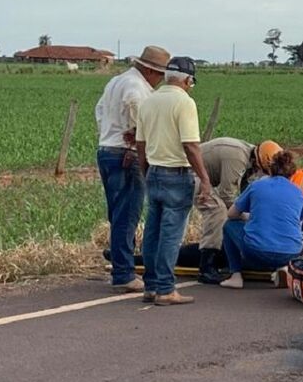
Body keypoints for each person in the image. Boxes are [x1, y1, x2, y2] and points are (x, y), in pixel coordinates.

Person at [135, 56, 212, 306]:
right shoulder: (184, 102)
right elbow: (190, 145)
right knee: (170, 235)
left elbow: (140, 143)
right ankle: (166, 289)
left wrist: (146, 169)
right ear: (188, 80)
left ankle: (150, 285)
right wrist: (204, 178)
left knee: (152, 232)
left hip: (154, 171)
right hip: (176, 174)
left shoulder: (149, 101)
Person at [95, 45, 171, 292]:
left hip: (107, 149)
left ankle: (121, 266)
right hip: (126, 154)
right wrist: (139, 133)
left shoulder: (116, 81)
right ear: (149, 70)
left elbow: (99, 110)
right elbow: (138, 110)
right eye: (160, 74)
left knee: (117, 214)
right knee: (127, 215)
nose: (160, 80)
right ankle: (124, 273)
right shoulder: (136, 87)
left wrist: (110, 131)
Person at [194, 137, 283, 284]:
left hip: (202, 176)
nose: (263, 175)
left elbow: (242, 192)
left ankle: (218, 255)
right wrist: (245, 216)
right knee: (217, 210)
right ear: (258, 163)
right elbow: (226, 194)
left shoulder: (250, 157)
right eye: (264, 172)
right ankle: (206, 267)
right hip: (190, 174)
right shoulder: (238, 158)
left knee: (227, 211)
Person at [219, 151, 303, 289]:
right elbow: (298, 223)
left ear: (270, 169)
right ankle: (282, 267)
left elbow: (231, 214)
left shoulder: (257, 186)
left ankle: (235, 275)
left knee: (229, 225)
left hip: (257, 250)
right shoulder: (298, 192)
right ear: (292, 172)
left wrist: (248, 217)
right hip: (291, 252)